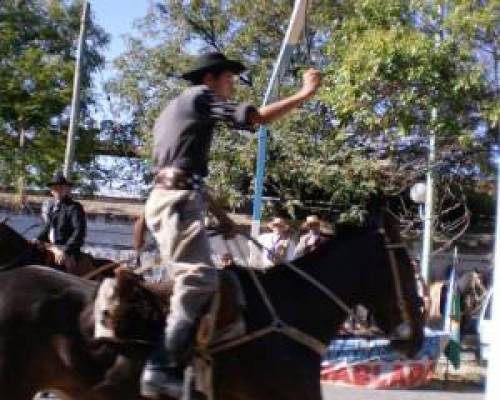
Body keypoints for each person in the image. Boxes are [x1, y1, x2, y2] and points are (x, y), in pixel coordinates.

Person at [140, 51, 321, 398]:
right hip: (176, 202)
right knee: (198, 279)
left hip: (177, 198)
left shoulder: (177, 108)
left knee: (199, 279)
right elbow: (257, 119)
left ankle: (186, 358)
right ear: (210, 78)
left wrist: (225, 220)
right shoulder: (199, 97)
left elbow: (186, 176)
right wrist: (305, 93)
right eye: (228, 78)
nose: (231, 86)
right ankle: (161, 368)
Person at [35, 171, 86, 274]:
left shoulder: (74, 207)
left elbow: (79, 231)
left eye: (60, 188)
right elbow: (47, 228)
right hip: (51, 247)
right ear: (51, 191)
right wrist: (37, 239)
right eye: (55, 188)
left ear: (66, 189)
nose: (57, 190)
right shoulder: (52, 207)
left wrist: (65, 250)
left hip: (67, 249)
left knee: (63, 267)